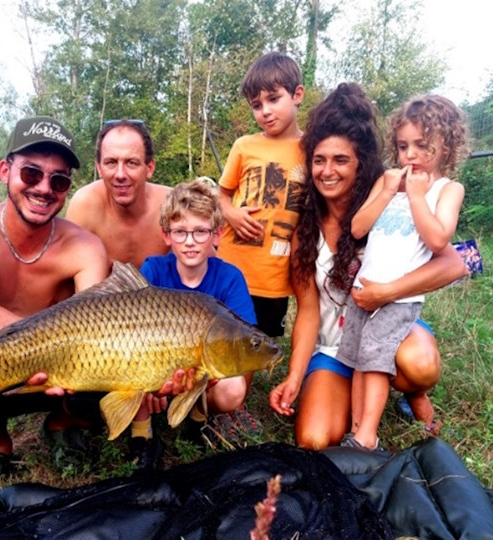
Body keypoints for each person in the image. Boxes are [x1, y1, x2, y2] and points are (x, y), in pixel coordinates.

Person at [268, 83, 468, 450]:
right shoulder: (307, 230)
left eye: (340, 160)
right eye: (319, 160)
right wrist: (294, 378)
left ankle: (411, 392)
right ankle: (350, 394)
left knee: (420, 363)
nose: (328, 171)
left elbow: (455, 263)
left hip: (388, 323)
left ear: (360, 163)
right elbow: (309, 312)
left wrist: (385, 293)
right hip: (334, 347)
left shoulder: (394, 205)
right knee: (314, 440)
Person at [0, 115, 110, 498]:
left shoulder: (85, 247)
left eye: (58, 180)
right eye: (31, 174)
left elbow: (100, 329)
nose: (43, 188)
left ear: (68, 188)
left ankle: (63, 424)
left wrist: (58, 357)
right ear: (5, 170)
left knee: (105, 370)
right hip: (3, 357)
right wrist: (37, 348)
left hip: (65, 369)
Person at [336, 95, 467, 450]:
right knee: (361, 358)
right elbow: (358, 228)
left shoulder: (446, 190)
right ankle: (356, 428)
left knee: (377, 359)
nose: (410, 155)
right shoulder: (387, 181)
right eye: (403, 145)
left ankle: (368, 436)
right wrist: (389, 190)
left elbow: (439, 237)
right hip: (363, 290)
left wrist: (415, 196)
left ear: (447, 144)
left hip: (399, 298)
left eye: (422, 146)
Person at [128, 178, 259, 469]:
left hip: (204, 370)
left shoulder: (230, 277)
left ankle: (200, 414)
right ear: (166, 235)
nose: (190, 241)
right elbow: (136, 333)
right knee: (128, 355)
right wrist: (153, 384)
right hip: (158, 360)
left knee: (233, 388)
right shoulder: (153, 269)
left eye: (200, 232)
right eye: (181, 232)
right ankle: (142, 434)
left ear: (217, 234)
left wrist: (207, 380)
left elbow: (244, 341)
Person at [217, 51, 307, 338]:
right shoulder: (244, 146)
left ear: (297, 94)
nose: (265, 111)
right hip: (231, 267)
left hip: (274, 276)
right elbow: (220, 195)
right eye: (256, 105)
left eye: (273, 99)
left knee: (255, 348)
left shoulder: (313, 149)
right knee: (220, 341)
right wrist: (231, 213)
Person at [65, 119, 172, 268]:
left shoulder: (172, 206)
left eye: (131, 163)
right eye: (111, 162)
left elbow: (208, 268)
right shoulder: (84, 205)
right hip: (96, 289)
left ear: (149, 168)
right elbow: (66, 271)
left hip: (160, 290)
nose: (120, 174)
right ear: (99, 168)